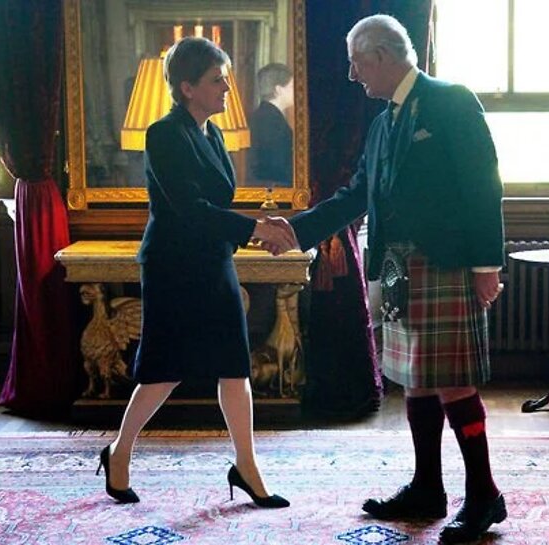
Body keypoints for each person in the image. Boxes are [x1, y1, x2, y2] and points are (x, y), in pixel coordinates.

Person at [268, 15, 506, 542]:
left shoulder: (450, 101)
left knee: (452, 380)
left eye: (355, 63)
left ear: (379, 56)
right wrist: (296, 229)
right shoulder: (382, 124)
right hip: (398, 268)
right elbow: (356, 195)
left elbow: (484, 183)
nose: (353, 76)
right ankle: (427, 487)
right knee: (416, 378)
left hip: (445, 263)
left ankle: (485, 494)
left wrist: (487, 265)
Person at [98, 36, 291, 508]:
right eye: (216, 80)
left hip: (213, 262)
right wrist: (255, 230)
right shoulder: (163, 133)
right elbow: (189, 207)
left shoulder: (215, 133)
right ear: (187, 87)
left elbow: (218, 204)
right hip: (174, 268)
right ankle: (119, 453)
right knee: (164, 372)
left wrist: (259, 227)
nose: (227, 87)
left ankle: (247, 467)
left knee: (235, 367)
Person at [246, 63, 294, 188]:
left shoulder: (266, 114)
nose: (296, 90)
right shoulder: (270, 120)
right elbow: (276, 165)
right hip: (274, 189)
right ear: (278, 90)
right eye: (292, 86)